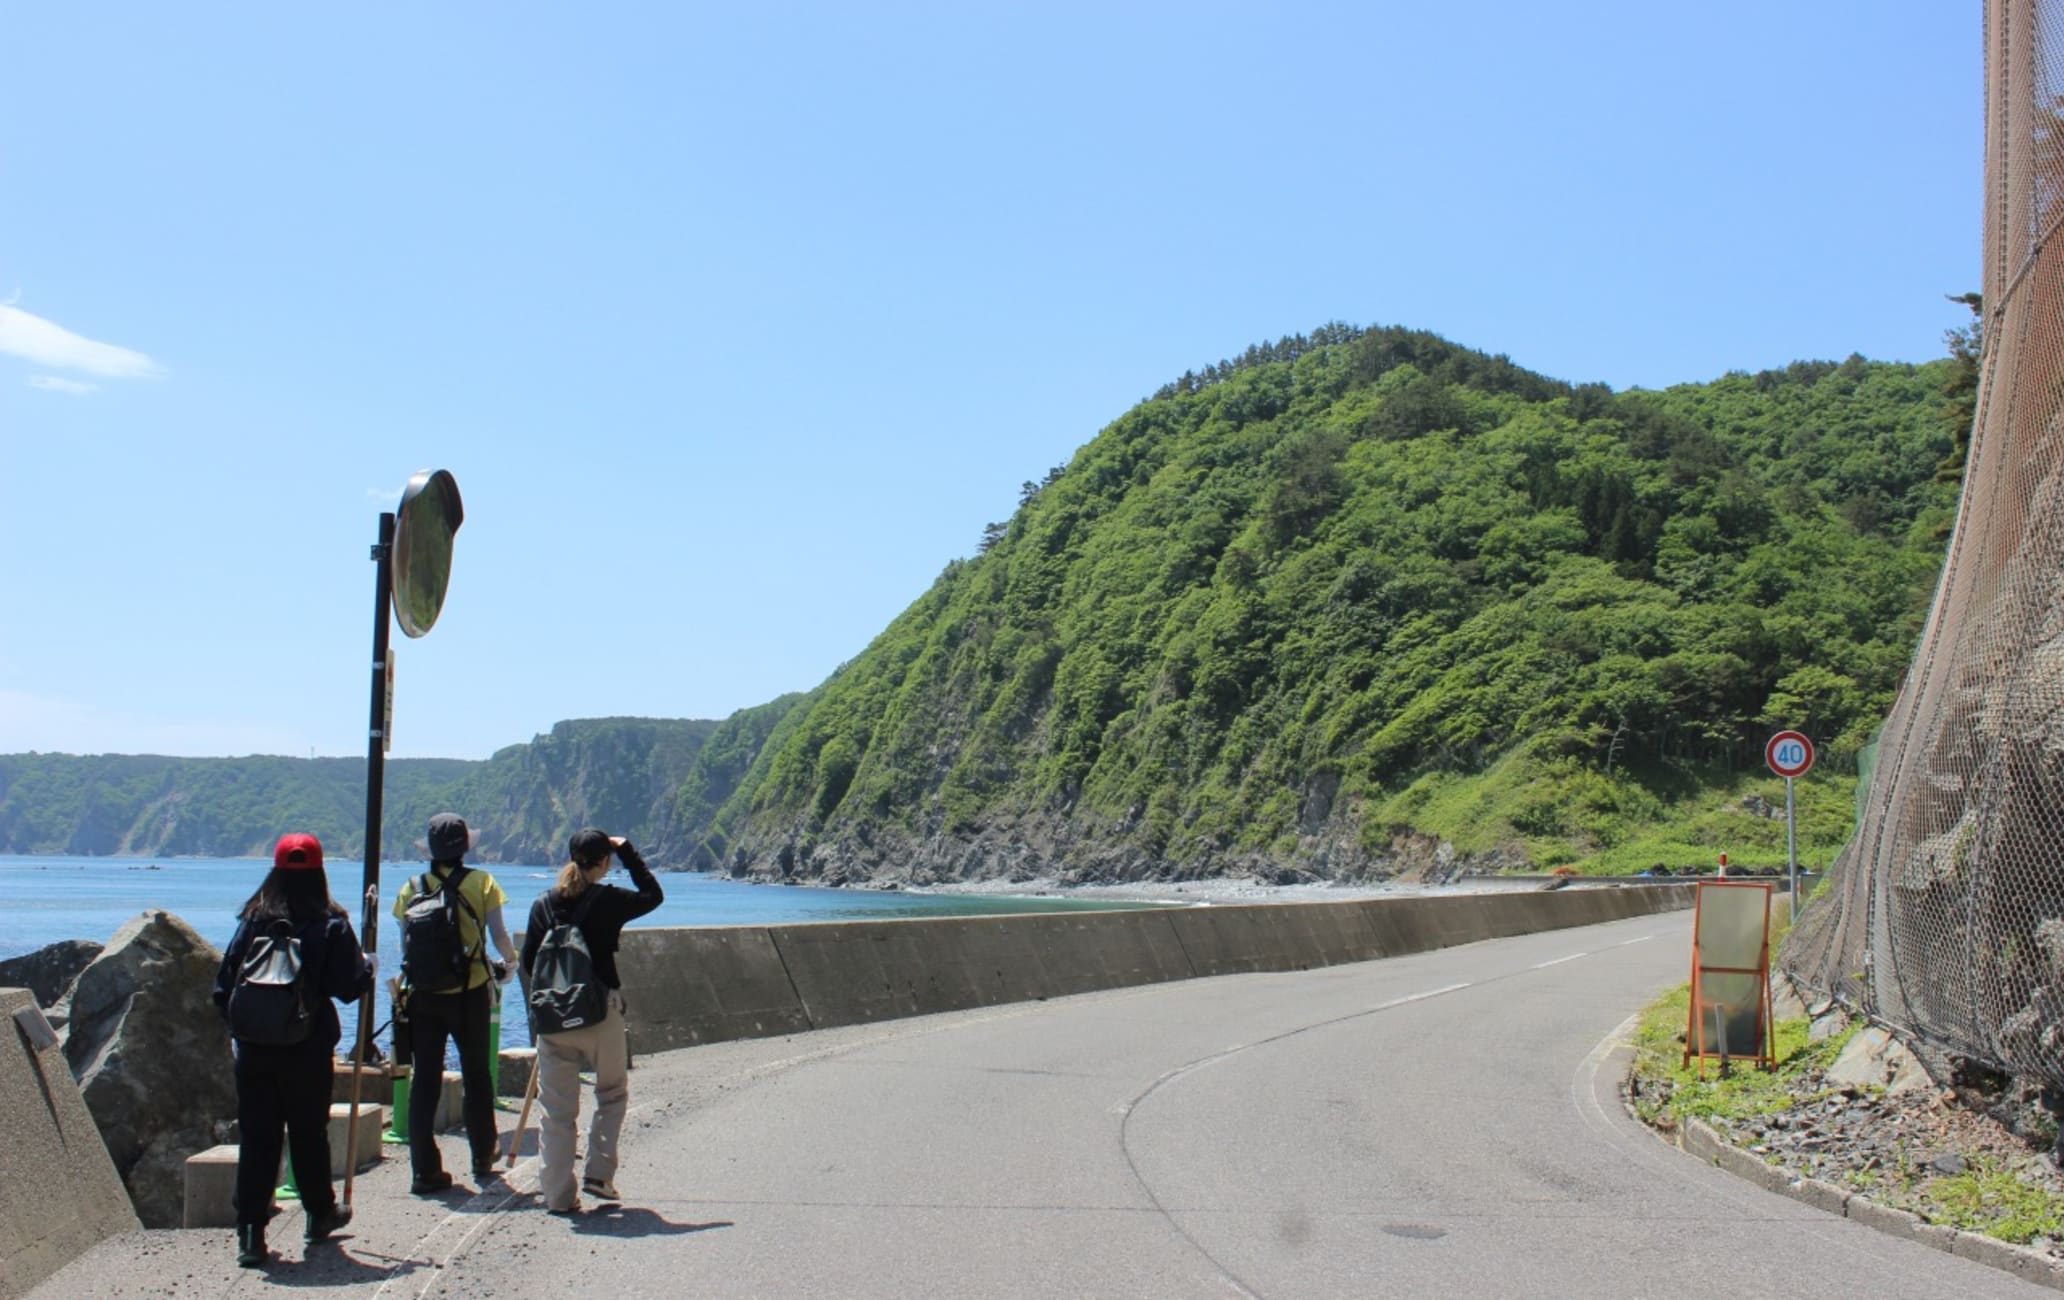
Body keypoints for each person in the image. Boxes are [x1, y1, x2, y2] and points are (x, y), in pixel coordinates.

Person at [212, 833, 374, 1268]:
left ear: (275, 872)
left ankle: (250, 1231)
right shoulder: (330, 924)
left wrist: (247, 1029)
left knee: (258, 1136)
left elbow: (223, 988)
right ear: (320, 872)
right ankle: (319, 1213)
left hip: (254, 1050)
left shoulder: (253, 921)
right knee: (308, 1132)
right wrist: (368, 966)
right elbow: (349, 987)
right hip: (308, 1047)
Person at [520, 828, 664, 1214]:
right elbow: (654, 896)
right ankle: (599, 1175)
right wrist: (629, 853)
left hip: (553, 1021)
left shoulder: (543, 905)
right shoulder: (609, 900)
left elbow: (527, 963)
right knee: (612, 1093)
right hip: (601, 1013)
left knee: (556, 1111)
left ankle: (557, 1195)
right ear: (605, 862)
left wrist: (544, 1012)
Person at [392, 812, 520, 1194]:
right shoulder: (482, 882)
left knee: (425, 1079)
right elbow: (498, 934)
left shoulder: (411, 886)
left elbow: (405, 946)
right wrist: (510, 964)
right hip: (470, 991)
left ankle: (424, 1170)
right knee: (477, 1074)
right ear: (465, 846)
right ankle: (482, 1155)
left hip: (424, 995)